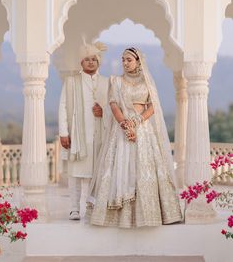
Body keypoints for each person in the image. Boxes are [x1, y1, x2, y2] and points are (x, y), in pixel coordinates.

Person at [87, 47, 182, 228]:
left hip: (143, 130)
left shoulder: (147, 82)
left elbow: (153, 106)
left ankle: (151, 214)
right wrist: (125, 125)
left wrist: (137, 121)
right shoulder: (116, 81)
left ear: (138, 61)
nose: (124, 63)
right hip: (120, 130)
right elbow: (114, 105)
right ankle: (117, 216)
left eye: (129, 60)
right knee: (117, 169)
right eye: (123, 59)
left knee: (144, 169)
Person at [59, 41, 109, 220]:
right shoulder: (71, 82)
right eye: (87, 59)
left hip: (99, 135)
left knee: (96, 173)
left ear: (99, 62)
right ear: (81, 62)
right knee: (75, 173)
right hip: (77, 135)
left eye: (94, 59)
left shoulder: (106, 82)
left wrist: (104, 112)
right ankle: (74, 208)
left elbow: (114, 107)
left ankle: (92, 206)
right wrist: (64, 132)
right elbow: (63, 106)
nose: (90, 62)